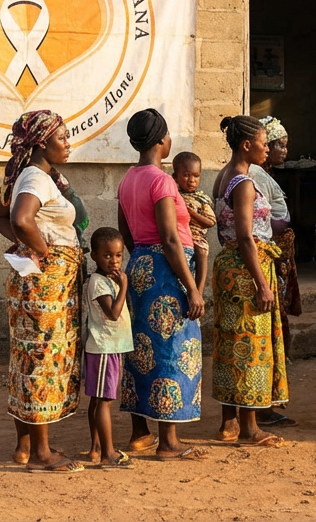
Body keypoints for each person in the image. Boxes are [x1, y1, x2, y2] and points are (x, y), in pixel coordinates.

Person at [0, 110, 84, 472]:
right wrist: (42, 250)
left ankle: (24, 446)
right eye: (62, 138)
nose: (68, 144)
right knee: (42, 360)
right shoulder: (35, 178)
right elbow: (19, 219)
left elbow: (0, 215)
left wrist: (24, 244)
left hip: (36, 283)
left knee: (28, 360)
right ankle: (43, 453)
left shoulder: (31, 176)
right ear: (42, 144)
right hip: (44, 286)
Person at [116, 108, 209, 461]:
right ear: (161, 140)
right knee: (171, 348)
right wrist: (192, 288)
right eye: (169, 135)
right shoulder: (162, 181)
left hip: (140, 265)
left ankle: (140, 432)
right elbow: (171, 238)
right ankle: (169, 442)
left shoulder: (127, 179)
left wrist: (141, 260)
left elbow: (125, 231)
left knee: (141, 348)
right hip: (169, 271)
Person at [211, 115, 289, 447]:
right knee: (249, 346)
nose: (267, 149)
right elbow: (245, 237)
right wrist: (262, 283)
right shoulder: (243, 182)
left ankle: (229, 422)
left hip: (230, 266)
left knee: (230, 343)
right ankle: (249, 428)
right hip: (245, 270)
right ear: (246, 145)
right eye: (263, 143)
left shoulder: (222, 176)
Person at [250, 115, 302, 429]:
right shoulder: (253, 176)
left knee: (276, 329)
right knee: (269, 331)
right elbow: (260, 223)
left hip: (274, 258)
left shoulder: (263, 175)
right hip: (266, 257)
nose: (282, 151)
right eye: (277, 145)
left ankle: (266, 404)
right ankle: (262, 408)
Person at [82, 227, 134, 469]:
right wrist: (124, 286)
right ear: (94, 256)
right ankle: (108, 454)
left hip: (109, 347)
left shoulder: (107, 280)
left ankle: (96, 448)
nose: (114, 261)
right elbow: (113, 313)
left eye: (118, 255)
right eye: (107, 255)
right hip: (104, 347)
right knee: (104, 400)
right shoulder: (99, 282)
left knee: (98, 399)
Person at [173, 152, 216, 271]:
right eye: (186, 175)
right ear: (175, 176)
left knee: (201, 250)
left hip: (196, 236)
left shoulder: (202, 200)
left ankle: (200, 282)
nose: (192, 180)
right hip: (177, 236)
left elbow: (211, 222)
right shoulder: (173, 196)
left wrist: (192, 214)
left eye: (196, 176)